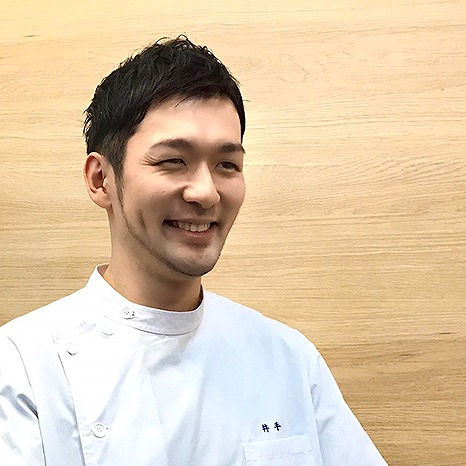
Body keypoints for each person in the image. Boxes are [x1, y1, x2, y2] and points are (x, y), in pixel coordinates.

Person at [0, 36, 387, 466]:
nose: (206, 192)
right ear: (100, 179)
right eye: (173, 161)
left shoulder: (289, 359)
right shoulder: (24, 367)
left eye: (227, 165)